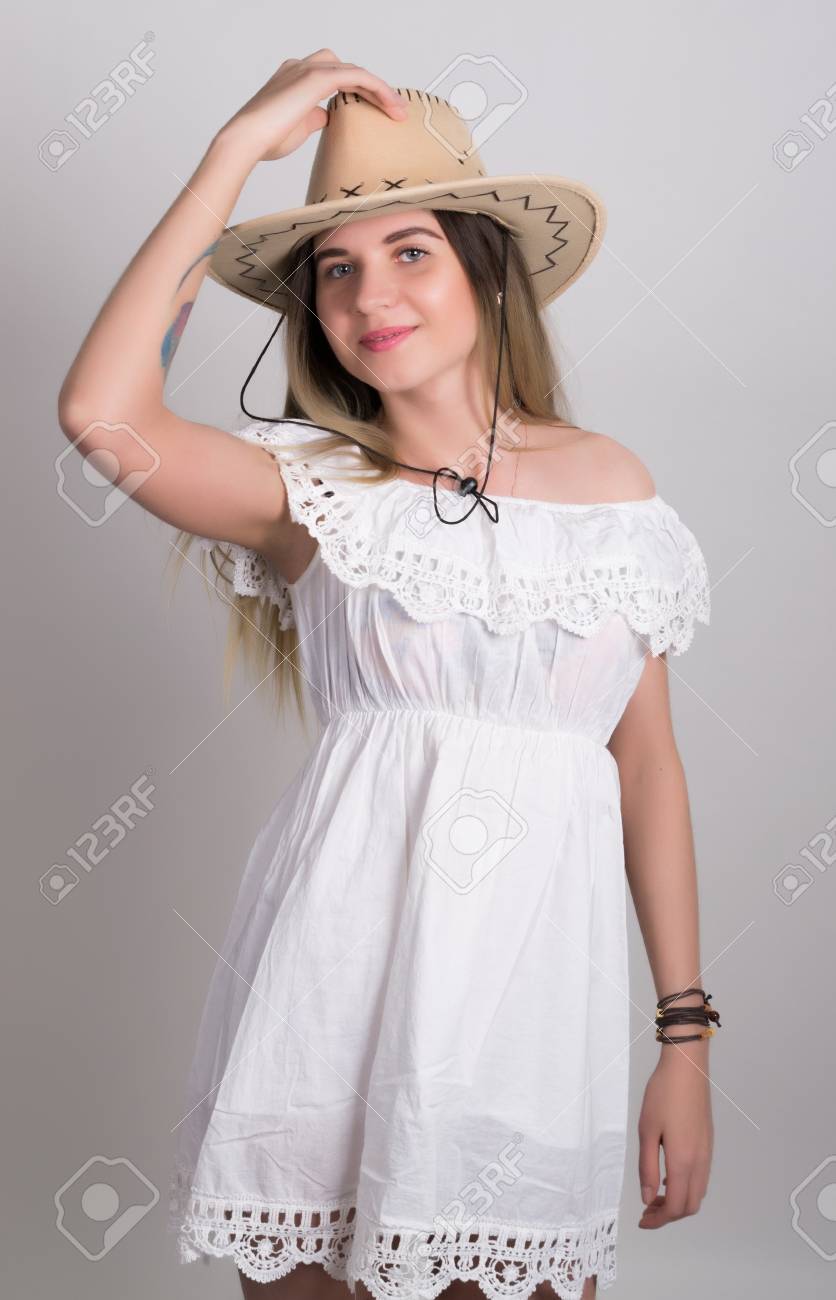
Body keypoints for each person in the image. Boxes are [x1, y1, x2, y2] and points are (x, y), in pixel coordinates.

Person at [57, 51, 720, 1300]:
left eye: (410, 251)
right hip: (327, 998)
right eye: (334, 267)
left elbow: (645, 764)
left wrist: (681, 1040)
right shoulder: (307, 492)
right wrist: (232, 155)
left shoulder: (612, 488)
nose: (371, 295)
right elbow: (104, 413)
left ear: (484, 269)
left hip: (531, 1012)